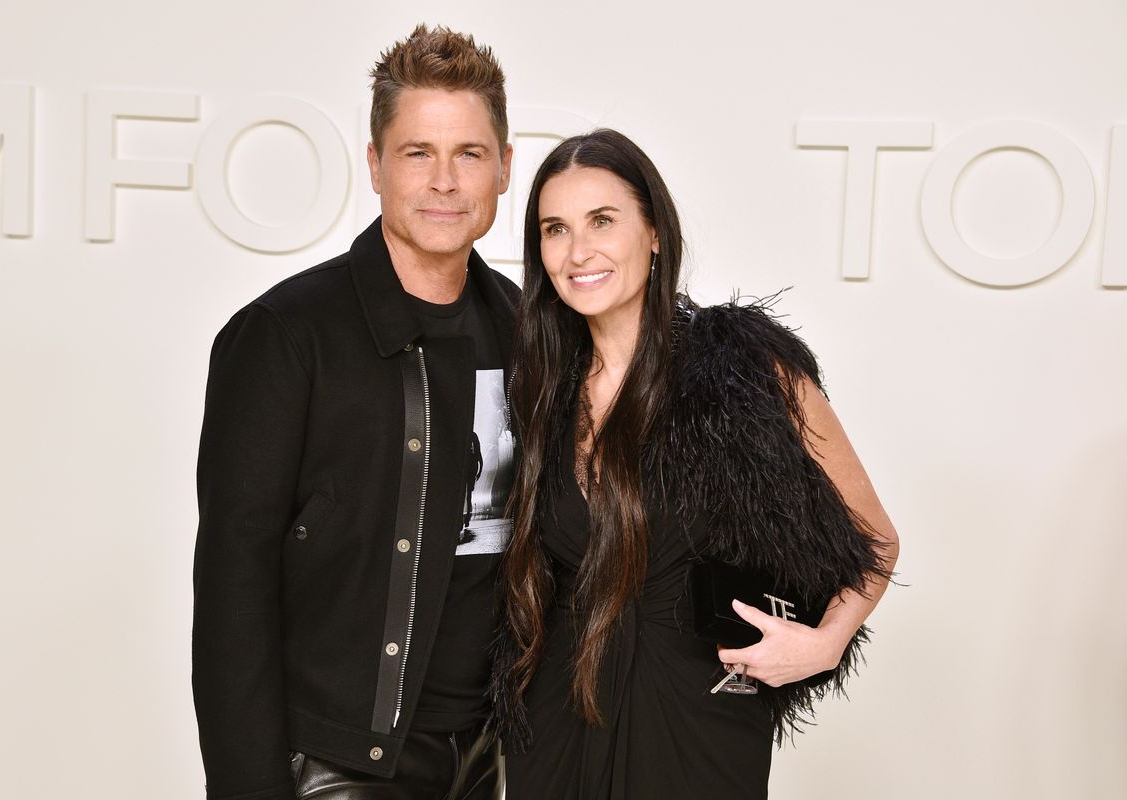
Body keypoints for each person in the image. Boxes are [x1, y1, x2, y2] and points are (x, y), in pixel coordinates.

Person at [490, 129, 900, 799]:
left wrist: (825, 644)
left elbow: (876, 540)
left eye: (602, 221)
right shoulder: (543, 386)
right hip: (557, 724)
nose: (578, 250)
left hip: (696, 727)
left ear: (653, 232)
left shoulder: (744, 369)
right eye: (554, 229)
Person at [192, 25, 517, 800]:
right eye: (417, 153)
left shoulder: (529, 328)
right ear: (375, 166)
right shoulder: (283, 337)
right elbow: (233, 591)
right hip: (340, 766)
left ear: (504, 168)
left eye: (468, 153)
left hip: (489, 759)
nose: (444, 180)